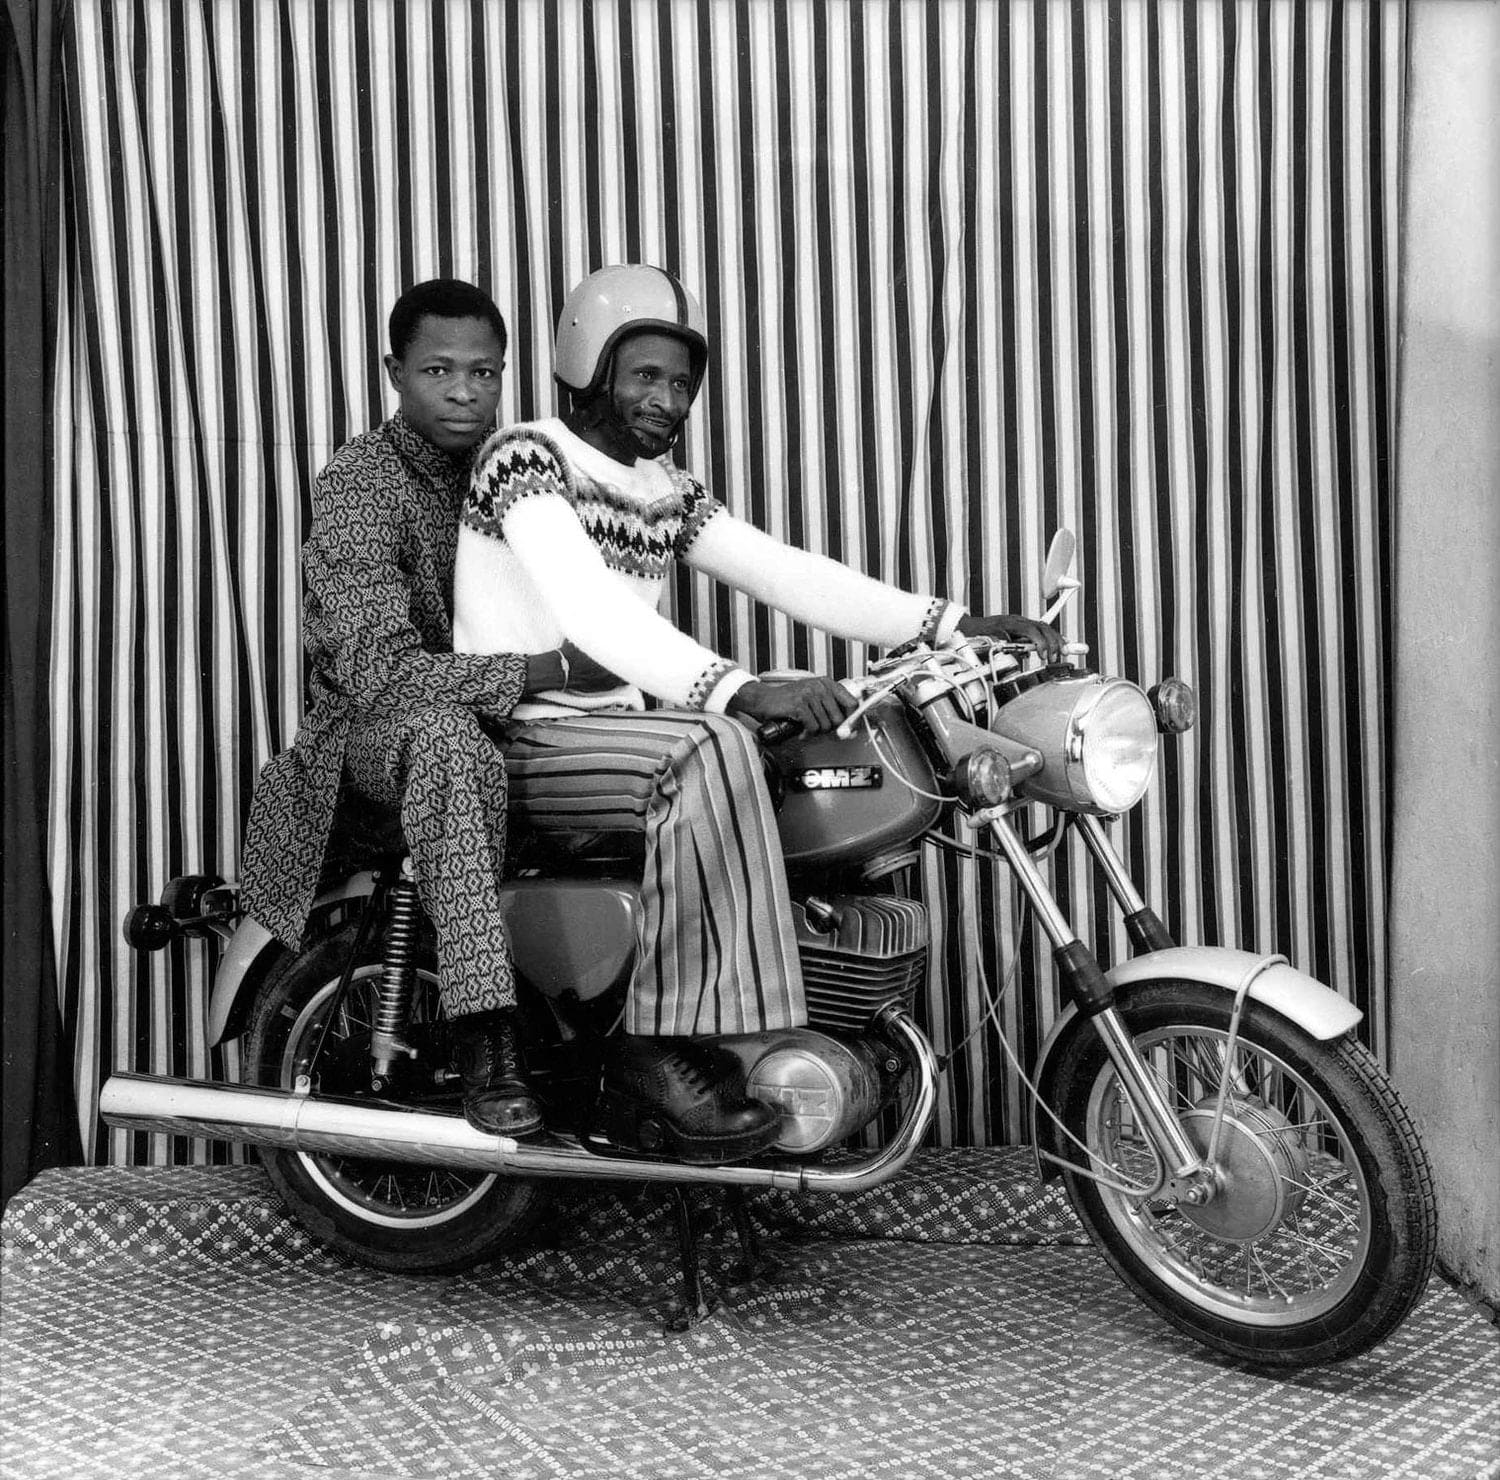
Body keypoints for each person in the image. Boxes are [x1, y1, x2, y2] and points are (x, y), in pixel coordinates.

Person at [452, 263, 1060, 1164]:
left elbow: (782, 570)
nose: (668, 398)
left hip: (614, 735)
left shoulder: (661, 484)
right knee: (709, 747)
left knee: (801, 746)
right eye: (645, 375)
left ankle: (802, 1032)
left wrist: (949, 622)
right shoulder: (525, 457)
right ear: (589, 363)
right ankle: (657, 1053)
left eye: (681, 381)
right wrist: (736, 689)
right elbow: (591, 609)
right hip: (533, 734)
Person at [239, 278, 617, 1139]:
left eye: (484, 373)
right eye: (438, 371)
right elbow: (377, 670)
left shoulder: (517, 471)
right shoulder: (363, 481)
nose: (463, 392)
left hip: (504, 728)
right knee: (448, 741)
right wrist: (547, 668)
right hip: (364, 741)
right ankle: (488, 1042)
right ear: (394, 372)